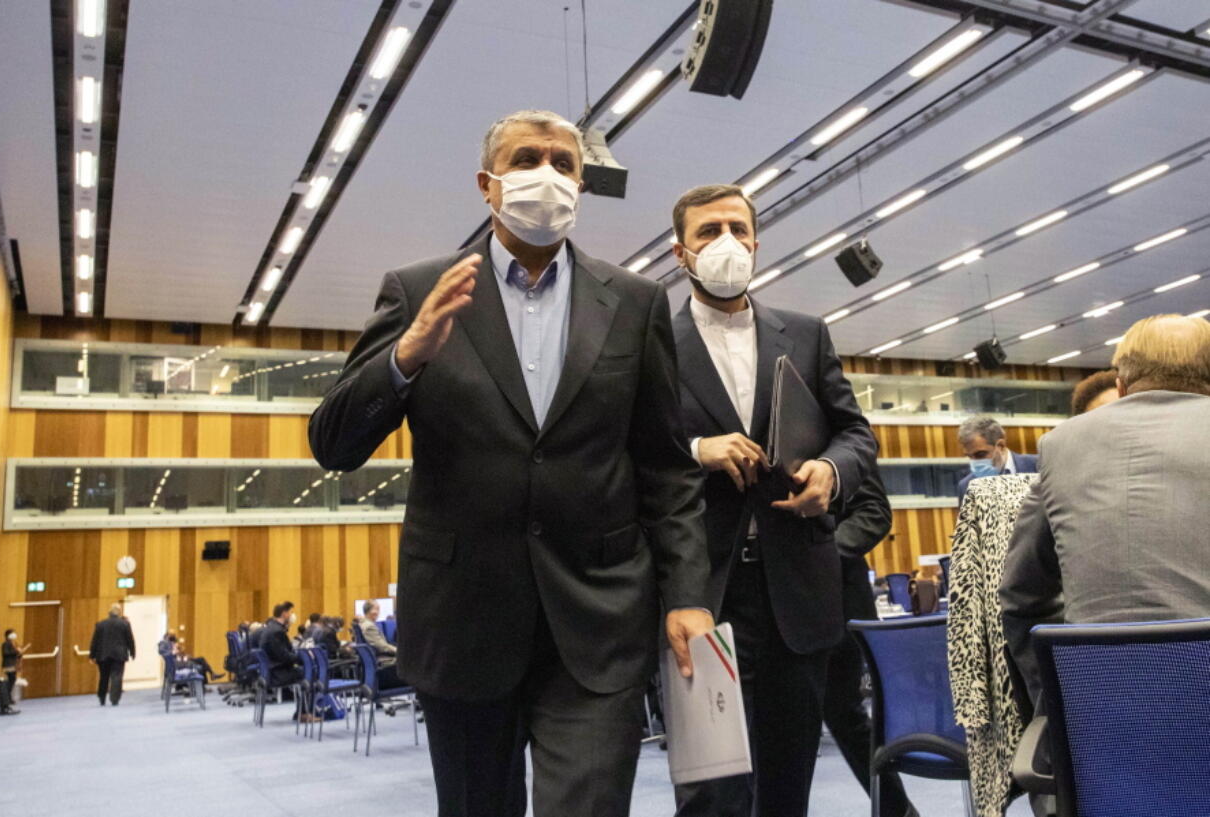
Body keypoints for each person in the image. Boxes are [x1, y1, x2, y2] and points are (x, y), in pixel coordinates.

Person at [308, 109, 712, 817]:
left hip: (598, 621)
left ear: (582, 185)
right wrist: (406, 357)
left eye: (564, 163)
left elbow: (667, 469)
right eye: (528, 158)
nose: (547, 175)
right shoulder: (418, 290)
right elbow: (333, 444)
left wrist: (688, 595)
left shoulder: (637, 303)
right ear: (487, 184)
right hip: (463, 621)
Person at [668, 183, 878, 816]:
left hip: (799, 588)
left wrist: (831, 472)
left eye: (737, 228)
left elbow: (856, 434)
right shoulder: (649, 340)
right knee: (713, 793)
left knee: (789, 787)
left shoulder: (807, 334)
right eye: (708, 232)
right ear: (682, 253)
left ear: (756, 243)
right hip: (703, 591)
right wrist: (698, 447)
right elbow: (627, 450)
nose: (725, 242)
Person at [999, 313, 1210, 707]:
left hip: (1099, 721)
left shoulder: (1060, 446)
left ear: (1120, 384)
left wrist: (1056, 706)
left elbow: (1021, 597)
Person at [821, 468, 919, 817]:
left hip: (835, 595)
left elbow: (874, 512)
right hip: (754, 596)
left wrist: (817, 554)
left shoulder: (835, 430)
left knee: (844, 712)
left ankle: (897, 810)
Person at [956, 416, 1037, 503]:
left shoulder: (1040, 466)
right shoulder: (966, 486)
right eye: (969, 456)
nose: (975, 462)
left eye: (980, 454)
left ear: (1001, 446)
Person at [89, 604, 136, 706]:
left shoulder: (100, 624)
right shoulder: (124, 624)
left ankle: (102, 697)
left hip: (103, 654)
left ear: (109, 613)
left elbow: (95, 640)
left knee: (103, 676)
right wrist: (132, 652)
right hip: (119, 654)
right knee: (117, 676)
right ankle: (114, 698)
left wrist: (92, 655)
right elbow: (130, 639)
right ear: (119, 613)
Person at [258, 602, 302, 688]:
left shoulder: (270, 628)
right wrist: (302, 658)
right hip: (279, 674)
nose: (291, 616)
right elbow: (284, 656)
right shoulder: (277, 632)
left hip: (272, 671)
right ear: (284, 614)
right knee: (311, 670)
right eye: (290, 612)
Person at [359, 600, 402, 689]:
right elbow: (382, 647)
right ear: (370, 611)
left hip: (377, 665)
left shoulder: (362, 624)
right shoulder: (369, 627)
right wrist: (400, 651)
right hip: (383, 667)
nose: (378, 612)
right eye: (377, 609)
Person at [1, 628, 28, 701]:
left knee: (12, 680)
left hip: (13, 665)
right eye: (13, 633)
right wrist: (16, 652)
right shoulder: (5, 644)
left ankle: (8, 698)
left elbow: (16, 655)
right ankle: (7, 698)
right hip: (8, 665)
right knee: (11, 680)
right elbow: (6, 653)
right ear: (8, 635)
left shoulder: (13, 643)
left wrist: (20, 653)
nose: (14, 635)